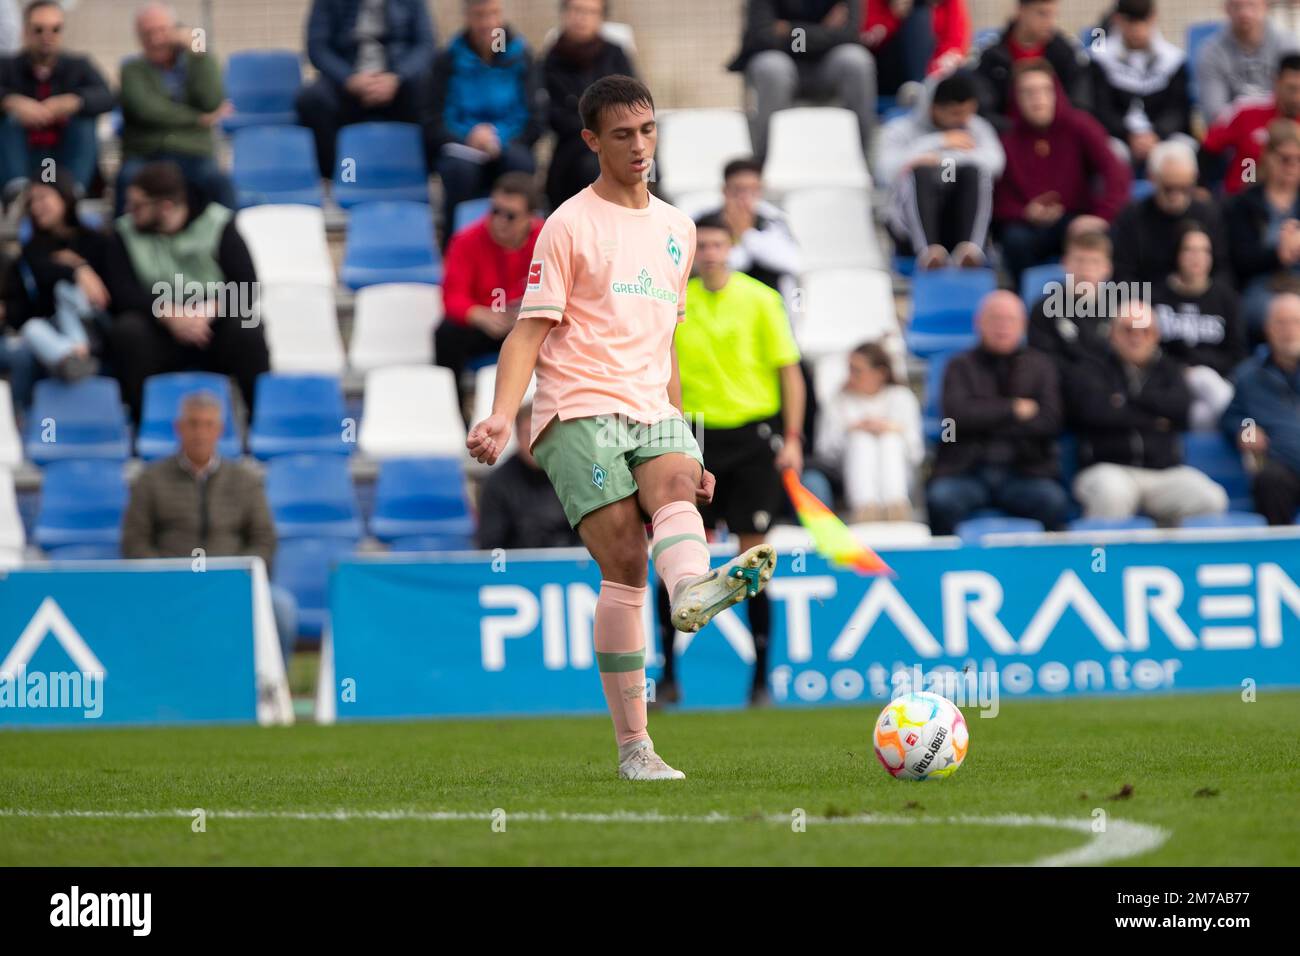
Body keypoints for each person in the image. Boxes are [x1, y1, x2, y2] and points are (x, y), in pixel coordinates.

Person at [466, 75, 776, 780]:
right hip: (576, 409)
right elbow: (527, 333)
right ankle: (636, 746)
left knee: (676, 486)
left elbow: (665, 342)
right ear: (591, 142)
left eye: (648, 131)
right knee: (627, 570)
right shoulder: (569, 227)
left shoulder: (679, 229)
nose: (639, 146)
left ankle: (693, 590)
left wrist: (685, 433)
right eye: (622, 135)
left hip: (652, 406)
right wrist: (497, 413)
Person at [655, 213, 805, 709]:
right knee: (677, 554)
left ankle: (761, 680)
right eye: (707, 245)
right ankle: (668, 674)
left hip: (752, 437)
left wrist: (794, 437)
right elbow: (664, 371)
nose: (714, 253)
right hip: (695, 436)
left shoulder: (761, 299)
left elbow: (790, 372)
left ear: (733, 247)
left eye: (721, 244)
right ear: (695, 253)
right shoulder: (677, 303)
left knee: (753, 561)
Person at [121, 390, 297, 667]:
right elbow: (135, 541)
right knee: (129, 612)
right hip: (170, 585)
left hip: (234, 583)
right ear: (179, 428)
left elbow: (264, 539)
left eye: (208, 424)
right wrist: (164, 575)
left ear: (220, 430)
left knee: (282, 608)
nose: (200, 432)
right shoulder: (151, 480)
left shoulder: (245, 480)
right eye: (192, 424)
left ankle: (270, 697)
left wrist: (241, 575)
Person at [101, 161, 268, 424]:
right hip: (159, 327)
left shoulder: (219, 223)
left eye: (136, 205)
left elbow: (247, 286)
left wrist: (205, 313)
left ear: (165, 207)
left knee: (248, 326)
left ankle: (261, 419)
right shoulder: (123, 233)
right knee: (127, 331)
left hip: (211, 326)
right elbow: (121, 293)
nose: (127, 211)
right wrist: (168, 314)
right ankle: (142, 423)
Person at [1066, 302, 1229, 524]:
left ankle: (1171, 558)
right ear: (1112, 334)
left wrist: (1124, 401)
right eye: (1128, 330)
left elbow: (1181, 410)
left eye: (1145, 331)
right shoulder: (1090, 367)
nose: (1137, 337)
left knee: (1211, 498)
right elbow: (1094, 412)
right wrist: (1155, 417)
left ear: (1156, 336)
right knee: (1112, 494)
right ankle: (1102, 559)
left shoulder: (1170, 368)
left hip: (1163, 472)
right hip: (1107, 468)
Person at [926, 289, 1069, 535]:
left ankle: (1046, 568)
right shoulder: (958, 365)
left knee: (1053, 501)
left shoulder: (1041, 366)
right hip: (967, 472)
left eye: (1010, 320)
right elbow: (954, 418)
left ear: (1022, 325)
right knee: (941, 499)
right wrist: (1014, 409)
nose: (1002, 326)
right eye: (995, 319)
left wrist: (982, 413)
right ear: (978, 322)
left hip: (1026, 473)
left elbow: (1050, 421)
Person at [993, 59, 1130, 282]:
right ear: (1017, 99)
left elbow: (1116, 171)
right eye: (1028, 92)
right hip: (1030, 224)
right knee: (1014, 240)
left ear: (1056, 93)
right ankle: (1028, 303)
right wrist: (1025, 213)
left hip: (1076, 218)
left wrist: (1101, 216)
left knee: (1106, 235)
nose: (1037, 98)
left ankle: (1106, 305)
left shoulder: (1079, 125)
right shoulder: (1007, 140)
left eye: (1044, 90)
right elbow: (998, 199)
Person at [426, 0, 542, 239]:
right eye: (480, 15)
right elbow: (434, 119)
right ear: (468, 17)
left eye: (493, 14)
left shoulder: (521, 56)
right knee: (458, 172)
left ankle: (523, 247)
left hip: (508, 143)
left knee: (521, 165)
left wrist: (499, 138)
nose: (488, 23)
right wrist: (470, 136)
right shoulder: (447, 59)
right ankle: (456, 248)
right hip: (464, 146)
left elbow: (534, 116)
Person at [295, 0, 437, 178]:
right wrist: (348, 78)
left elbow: (426, 45)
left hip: (398, 82)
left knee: (431, 94)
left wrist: (398, 77)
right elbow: (318, 48)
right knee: (313, 99)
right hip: (346, 82)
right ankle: (340, 176)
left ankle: (419, 175)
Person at [878, 68, 1004, 269]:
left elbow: (995, 163)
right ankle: (927, 252)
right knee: (920, 173)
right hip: (910, 225)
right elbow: (886, 172)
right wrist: (939, 142)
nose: (962, 119)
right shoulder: (899, 129)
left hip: (957, 216)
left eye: (967, 111)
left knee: (973, 172)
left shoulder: (977, 127)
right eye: (955, 113)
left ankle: (970, 250)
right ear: (932, 108)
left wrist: (944, 159)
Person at [116, 2, 234, 215]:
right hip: (146, 154)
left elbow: (212, 101)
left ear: (175, 30)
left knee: (218, 182)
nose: (155, 39)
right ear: (139, 37)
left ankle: (228, 242)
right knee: (126, 180)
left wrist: (198, 52)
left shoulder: (195, 62)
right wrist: (198, 119)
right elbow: (148, 111)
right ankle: (119, 245)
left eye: (161, 30)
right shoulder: (131, 69)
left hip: (193, 152)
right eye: (147, 33)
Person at [726, 0, 876, 162]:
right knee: (772, 67)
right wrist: (824, 32)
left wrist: (790, 30)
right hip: (780, 65)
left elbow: (849, 35)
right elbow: (763, 35)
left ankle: (863, 160)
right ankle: (764, 162)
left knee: (856, 60)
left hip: (827, 66)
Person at [435, 171, 543, 385]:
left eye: (510, 216)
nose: (499, 221)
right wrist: (477, 314)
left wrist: (531, 315)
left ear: (530, 218)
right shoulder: (466, 240)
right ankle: (453, 410)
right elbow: (452, 296)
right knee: (447, 333)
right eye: (495, 211)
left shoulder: (549, 238)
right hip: (485, 325)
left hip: (532, 325)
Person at [1, 173, 110, 382]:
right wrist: (75, 269)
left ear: (64, 198)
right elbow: (39, 281)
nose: (36, 207)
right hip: (57, 332)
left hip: (92, 323)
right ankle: (72, 357)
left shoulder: (96, 240)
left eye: (43, 198)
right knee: (32, 329)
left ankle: (76, 354)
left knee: (65, 289)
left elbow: (107, 294)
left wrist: (79, 268)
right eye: (31, 201)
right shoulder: (32, 249)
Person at [0, 0, 113, 199]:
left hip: (61, 158)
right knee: (8, 119)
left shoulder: (79, 66)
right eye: (39, 29)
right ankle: (17, 193)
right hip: (24, 157)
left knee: (84, 118)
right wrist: (12, 102)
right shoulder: (7, 67)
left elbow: (108, 97)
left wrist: (74, 102)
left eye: (55, 29)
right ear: (25, 32)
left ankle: (72, 193)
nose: (47, 37)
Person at [542, 0, 635, 211]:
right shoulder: (551, 60)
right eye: (576, 10)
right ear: (564, 14)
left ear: (601, 18)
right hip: (572, 147)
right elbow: (551, 113)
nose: (582, 18)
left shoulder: (615, 55)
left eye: (591, 12)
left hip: (616, 142)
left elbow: (633, 101)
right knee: (588, 168)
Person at [815, 340, 923, 521]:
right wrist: (852, 430)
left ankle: (896, 506)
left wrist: (890, 429)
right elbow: (825, 450)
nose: (850, 376)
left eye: (857, 370)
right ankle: (865, 508)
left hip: (901, 474)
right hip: (846, 474)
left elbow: (916, 453)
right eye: (849, 369)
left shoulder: (902, 397)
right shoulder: (839, 401)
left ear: (880, 373)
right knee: (861, 440)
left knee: (890, 440)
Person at [1151, 222, 1245, 430]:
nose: (1197, 257)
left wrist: (1199, 364)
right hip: (1166, 383)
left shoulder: (1227, 299)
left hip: (1213, 385)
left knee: (1205, 400)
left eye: (1204, 251)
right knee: (1205, 380)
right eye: (1189, 250)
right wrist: (1179, 369)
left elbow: (1237, 355)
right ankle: (1245, 430)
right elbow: (1146, 349)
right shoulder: (1154, 296)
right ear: (1177, 254)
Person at [1222, 291, 1300, 524]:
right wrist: (1247, 430)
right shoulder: (1248, 376)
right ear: (1268, 329)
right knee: (1269, 480)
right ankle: (1280, 556)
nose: (1289, 330)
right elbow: (1231, 417)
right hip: (1284, 466)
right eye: (1281, 323)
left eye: (1296, 322)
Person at [1111, 138, 1230, 286]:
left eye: (1185, 188)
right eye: (1169, 188)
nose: (1177, 196)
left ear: (1194, 179)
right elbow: (1122, 272)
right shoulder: (1133, 216)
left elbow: (1222, 271)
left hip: (1197, 299)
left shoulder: (1209, 215)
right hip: (1145, 301)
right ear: (1152, 179)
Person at [1087, 0, 1189, 172]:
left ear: (1153, 19)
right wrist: (1129, 135)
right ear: (1117, 20)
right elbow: (1100, 110)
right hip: (1118, 138)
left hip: (1162, 138)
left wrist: (1156, 134)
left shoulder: (1173, 60)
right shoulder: (1100, 60)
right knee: (1108, 153)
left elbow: (1179, 110)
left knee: (1179, 155)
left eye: (1143, 21)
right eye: (1130, 22)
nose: (1137, 29)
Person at [1224, 118, 1300, 340]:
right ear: (1268, 157)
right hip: (1262, 284)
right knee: (1262, 314)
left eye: (1298, 159)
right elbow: (1240, 259)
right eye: (1285, 159)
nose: (1292, 166)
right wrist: (1279, 254)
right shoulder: (1245, 202)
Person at [477, 402, 582, 549]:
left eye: (542, 434)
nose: (535, 443)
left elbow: (589, 539)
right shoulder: (496, 483)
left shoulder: (575, 477)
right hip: (518, 569)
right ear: (517, 436)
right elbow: (490, 547)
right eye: (528, 434)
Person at [974, 0, 1090, 133]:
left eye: (1053, 15)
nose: (1050, 22)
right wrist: (1012, 129)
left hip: (1058, 135)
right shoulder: (993, 57)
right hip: (1008, 136)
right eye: (1042, 14)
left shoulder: (1063, 53)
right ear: (1021, 11)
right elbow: (984, 108)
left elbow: (1080, 101)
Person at [698, 158, 801, 298]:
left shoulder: (773, 219)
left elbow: (792, 262)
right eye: (738, 190)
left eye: (752, 190)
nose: (745, 198)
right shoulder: (706, 223)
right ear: (724, 190)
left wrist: (746, 234)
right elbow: (714, 265)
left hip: (767, 301)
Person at [1203, 52, 1300, 198]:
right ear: (1276, 82)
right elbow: (1208, 149)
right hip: (1239, 203)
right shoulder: (1247, 111)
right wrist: (1201, 187)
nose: (1296, 97)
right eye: (1291, 89)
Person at [1027, 228, 1116, 372]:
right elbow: (1042, 362)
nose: (1086, 269)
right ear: (1065, 263)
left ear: (1108, 269)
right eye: (1079, 261)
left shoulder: (1120, 310)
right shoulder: (1043, 309)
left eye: (1095, 262)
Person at [1197, 0, 1297, 127]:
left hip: (1282, 133)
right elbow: (1213, 113)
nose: (1245, 13)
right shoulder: (1210, 51)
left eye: (1252, 5)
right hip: (1234, 135)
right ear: (1226, 8)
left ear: (1265, 6)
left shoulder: (1290, 46)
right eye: (1237, 6)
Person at [861, 0, 971, 95]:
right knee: (918, 14)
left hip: (933, 70)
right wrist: (895, 17)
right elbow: (868, 40)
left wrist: (934, 73)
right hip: (888, 67)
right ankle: (920, 88)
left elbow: (956, 42)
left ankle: (921, 88)